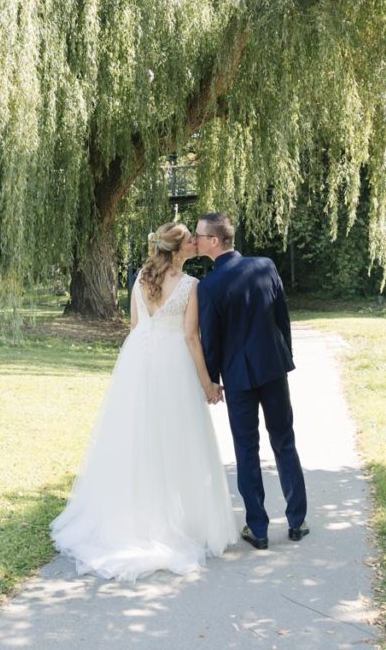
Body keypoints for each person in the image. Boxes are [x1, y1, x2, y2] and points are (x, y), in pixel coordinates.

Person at [50, 222, 237, 581]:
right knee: (176, 438)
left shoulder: (140, 279)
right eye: (190, 242)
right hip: (172, 363)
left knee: (136, 438)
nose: (196, 244)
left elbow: (136, 326)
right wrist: (208, 384)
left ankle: (133, 517)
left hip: (137, 361)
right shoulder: (189, 286)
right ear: (180, 249)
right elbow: (191, 338)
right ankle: (174, 522)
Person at [195, 212, 308, 549]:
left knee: (247, 449)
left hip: (238, 376)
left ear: (215, 241)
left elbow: (211, 340)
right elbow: (281, 317)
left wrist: (212, 381)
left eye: (199, 235)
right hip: (273, 368)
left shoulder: (210, 285)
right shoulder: (265, 266)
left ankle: (257, 529)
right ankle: (297, 522)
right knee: (284, 441)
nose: (196, 241)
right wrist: (284, 354)